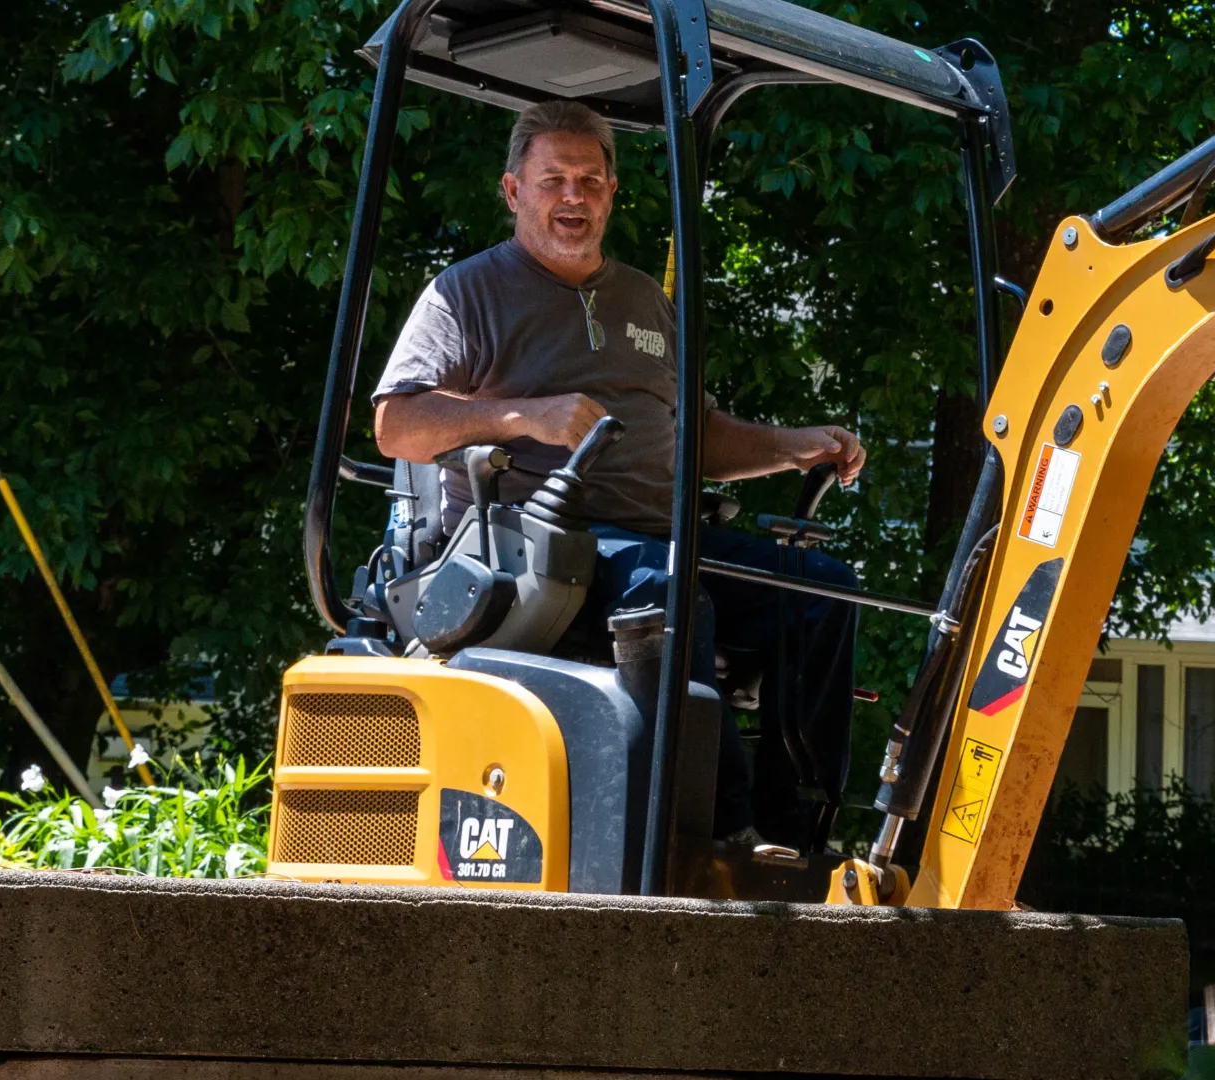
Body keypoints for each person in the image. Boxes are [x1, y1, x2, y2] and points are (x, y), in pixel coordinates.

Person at [370, 100, 864, 848]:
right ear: (513, 192)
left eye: (590, 181)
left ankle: (800, 833)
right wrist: (522, 415)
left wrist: (794, 446)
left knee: (822, 592)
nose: (573, 197)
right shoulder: (467, 292)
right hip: (538, 548)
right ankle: (717, 830)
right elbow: (396, 425)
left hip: (662, 534)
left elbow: (699, 437)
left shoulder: (646, 301)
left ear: (611, 192)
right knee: (667, 590)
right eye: (553, 180)